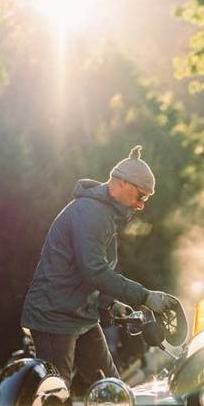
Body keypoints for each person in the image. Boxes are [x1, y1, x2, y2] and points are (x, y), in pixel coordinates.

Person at [21, 145, 180, 387]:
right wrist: (145, 297)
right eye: (141, 196)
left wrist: (110, 304)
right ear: (123, 183)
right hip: (55, 313)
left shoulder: (104, 214)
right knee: (55, 395)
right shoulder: (91, 213)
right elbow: (94, 269)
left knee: (111, 389)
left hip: (81, 314)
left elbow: (91, 271)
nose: (141, 205)